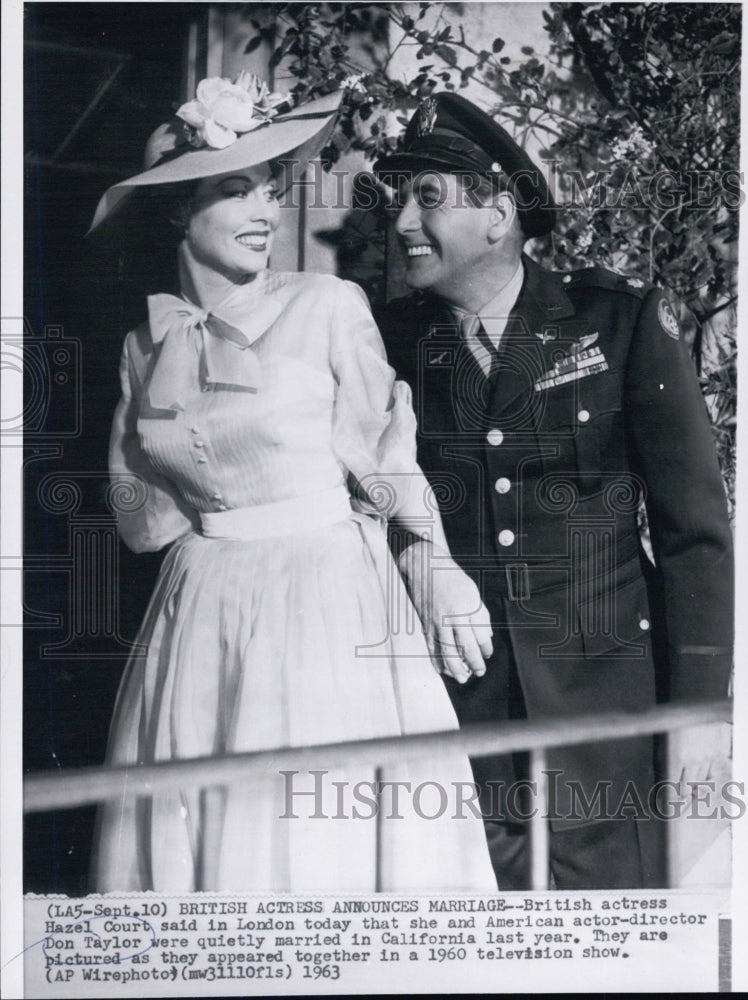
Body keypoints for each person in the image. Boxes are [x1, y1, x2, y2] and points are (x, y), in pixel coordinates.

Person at [88, 75, 497, 893]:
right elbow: (143, 520)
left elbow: (389, 460)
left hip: (323, 595)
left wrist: (437, 567)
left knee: (310, 840)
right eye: (235, 191)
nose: (265, 213)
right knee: (197, 842)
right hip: (197, 606)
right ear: (177, 211)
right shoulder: (143, 343)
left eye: (270, 192)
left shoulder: (326, 303)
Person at [374, 92, 734, 890]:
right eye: (398, 200)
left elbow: (693, 532)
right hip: (456, 727)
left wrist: (702, 714)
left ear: (499, 213)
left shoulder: (616, 323)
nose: (402, 223)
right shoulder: (389, 343)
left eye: (425, 198)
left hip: (606, 729)